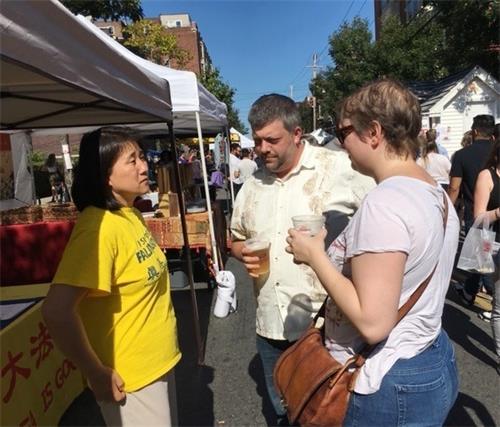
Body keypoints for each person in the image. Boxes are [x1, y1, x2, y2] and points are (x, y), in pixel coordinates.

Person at [286, 79, 459, 425]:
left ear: (374, 132)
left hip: (388, 378)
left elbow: (373, 323)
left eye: (344, 130)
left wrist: (315, 256)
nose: (340, 141)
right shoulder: (435, 194)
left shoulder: (385, 203)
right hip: (429, 356)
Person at [230, 94, 374, 425]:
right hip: (270, 324)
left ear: (297, 134)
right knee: (283, 410)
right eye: (258, 140)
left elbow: (382, 216)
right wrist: (242, 254)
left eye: (272, 140)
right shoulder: (252, 185)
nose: (263, 148)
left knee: (331, 409)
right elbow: (235, 239)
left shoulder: (339, 167)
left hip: (328, 325)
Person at [42, 127, 181, 426]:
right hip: (131, 379)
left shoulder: (126, 213)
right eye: (132, 160)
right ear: (106, 175)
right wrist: (94, 371)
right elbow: (56, 311)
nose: (145, 166)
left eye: (142, 157)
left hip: (156, 365)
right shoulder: (98, 227)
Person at [449, 115, 495, 305]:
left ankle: (487, 296)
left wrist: (449, 210)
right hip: (497, 210)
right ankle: (471, 292)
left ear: (475, 131)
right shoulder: (496, 154)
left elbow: (454, 187)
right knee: (483, 260)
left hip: (474, 213)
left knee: (481, 259)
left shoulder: (462, 155)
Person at [473, 133, 500, 373]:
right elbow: (479, 218)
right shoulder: (487, 176)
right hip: (495, 245)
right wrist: (499, 213)